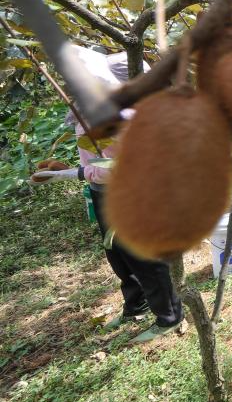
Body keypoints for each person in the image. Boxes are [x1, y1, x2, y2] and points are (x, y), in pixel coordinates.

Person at [31, 47, 185, 344]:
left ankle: (169, 315)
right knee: (117, 253)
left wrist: (70, 174)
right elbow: (96, 159)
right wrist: (70, 169)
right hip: (101, 191)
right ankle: (136, 303)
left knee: (141, 256)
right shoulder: (87, 110)